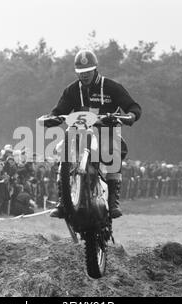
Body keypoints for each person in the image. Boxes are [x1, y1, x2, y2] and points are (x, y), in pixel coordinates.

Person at [43, 49, 142, 218]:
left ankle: (113, 201)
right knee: (61, 150)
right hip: (78, 132)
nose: (84, 75)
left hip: (105, 131)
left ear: (95, 69)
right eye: (80, 72)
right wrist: (52, 118)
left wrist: (130, 116)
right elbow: (59, 110)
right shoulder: (72, 90)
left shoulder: (112, 87)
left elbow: (133, 107)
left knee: (113, 151)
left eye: (87, 71)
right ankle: (63, 201)